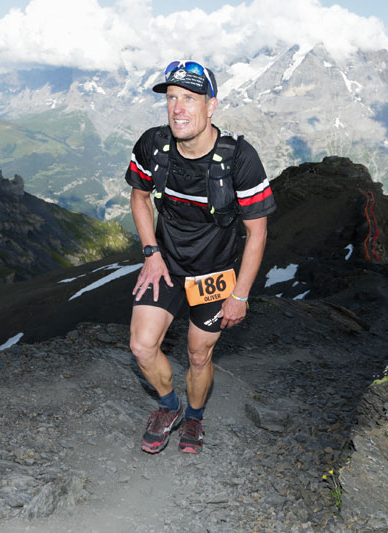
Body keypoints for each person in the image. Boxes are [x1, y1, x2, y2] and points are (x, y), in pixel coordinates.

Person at [126, 60, 276, 454]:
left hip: (214, 274)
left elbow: (257, 231)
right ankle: (169, 407)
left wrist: (240, 295)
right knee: (142, 346)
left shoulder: (239, 159)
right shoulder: (153, 146)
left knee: (198, 354)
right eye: (172, 98)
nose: (178, 108)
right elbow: (140, 197)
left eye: (189, 98)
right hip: (167, 266)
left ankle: (194, 417)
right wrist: (151, 253)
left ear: (211, 106)